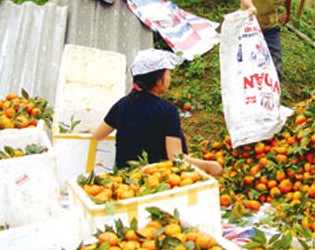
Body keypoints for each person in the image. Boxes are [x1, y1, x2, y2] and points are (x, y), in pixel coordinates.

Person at [91, 48, 223, 176]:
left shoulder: (121, 105)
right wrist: (209, 166)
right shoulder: (167, 110)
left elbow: (97, 134)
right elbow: (175, 157)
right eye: (168, 73)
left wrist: (89, 127)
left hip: (124, 182)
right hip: (155, 181)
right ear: (158, 79)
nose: (170, 77)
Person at [240, 0, 306, 82]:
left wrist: (287, 13)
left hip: (270, 27)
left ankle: (273, 95)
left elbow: (288, 0)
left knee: (275, 65)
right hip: (249, 28)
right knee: (247, 64)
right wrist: (250, 6)